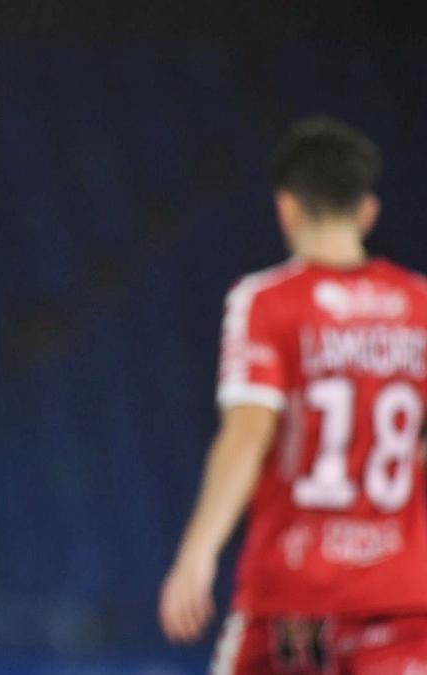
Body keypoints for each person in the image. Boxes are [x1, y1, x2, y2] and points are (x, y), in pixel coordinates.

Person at [159, 116, 427, 673]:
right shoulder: (418, 305)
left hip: (289, 597)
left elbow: (249, 433)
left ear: (287, 206)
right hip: (398, 600)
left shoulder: (267, 301)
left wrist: (198, 551)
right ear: (367, 210)